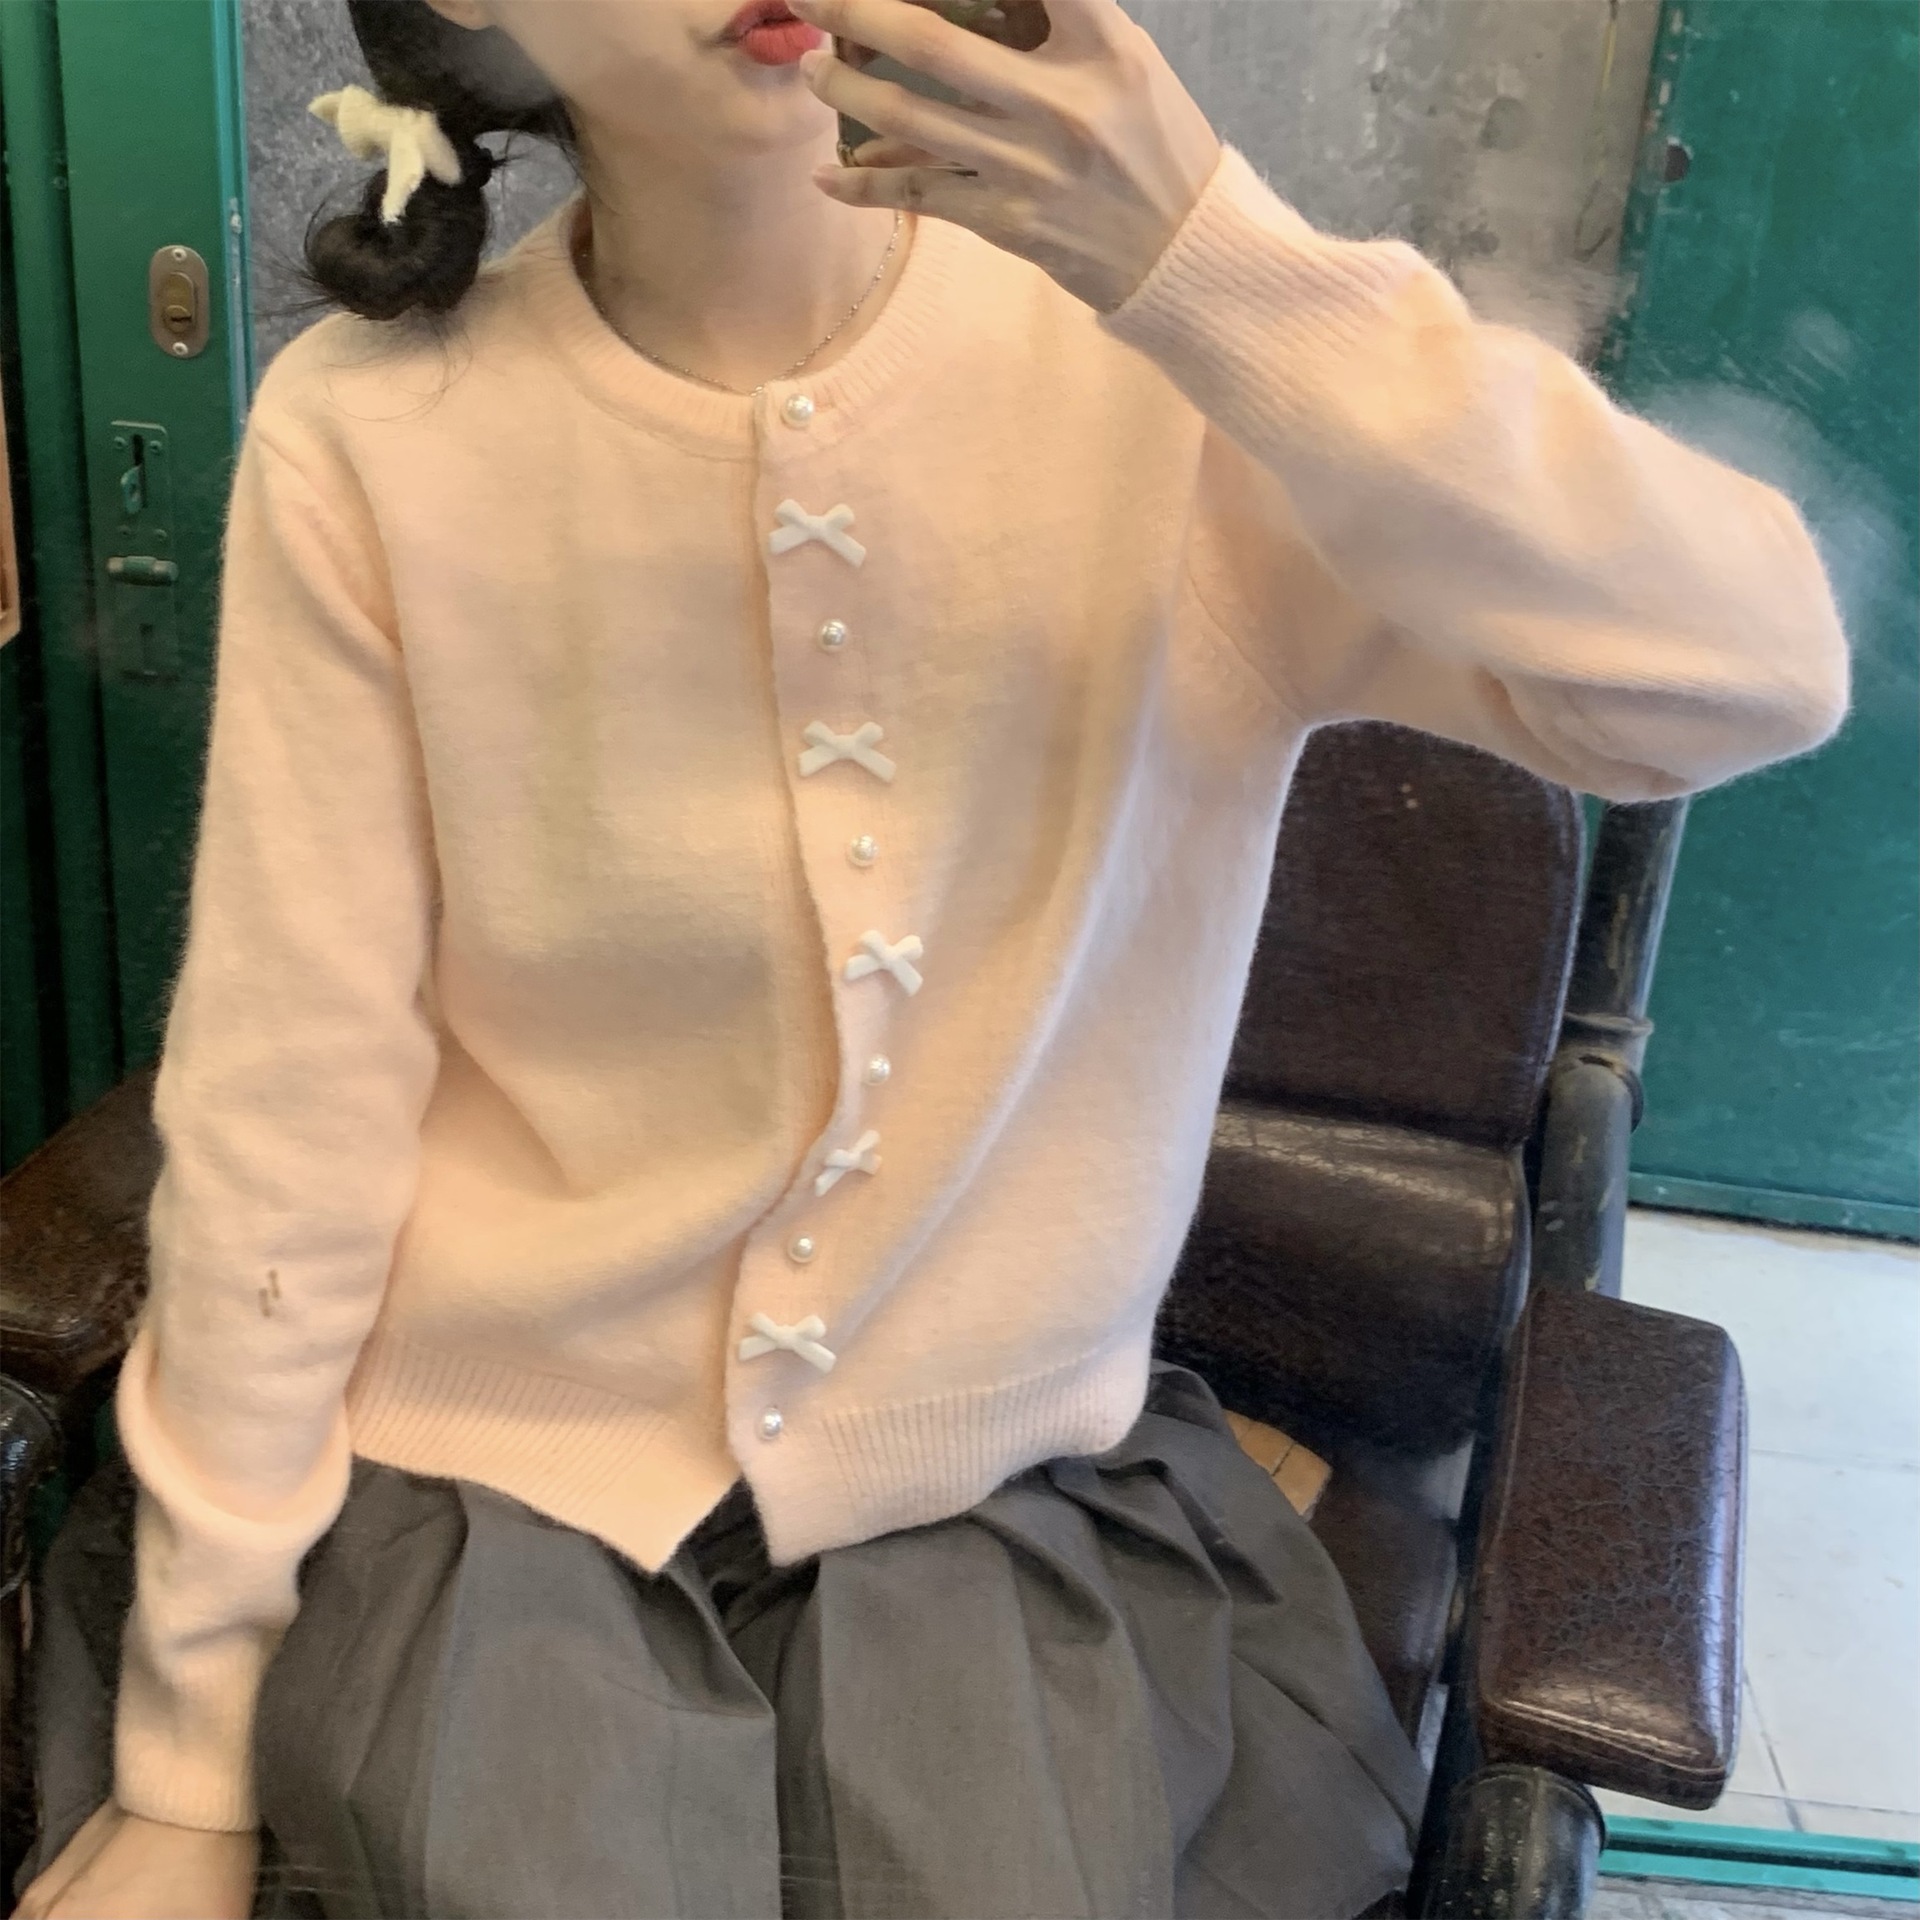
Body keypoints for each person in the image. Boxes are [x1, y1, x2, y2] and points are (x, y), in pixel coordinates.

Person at [17, 0, 1850, 1911]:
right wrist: (190, 1759)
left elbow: (1747, 674)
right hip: (475, 1530)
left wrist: (1215, 263)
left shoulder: (1163, 375)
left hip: (999, 1535)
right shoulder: (374, 435)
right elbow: (288, 1105)